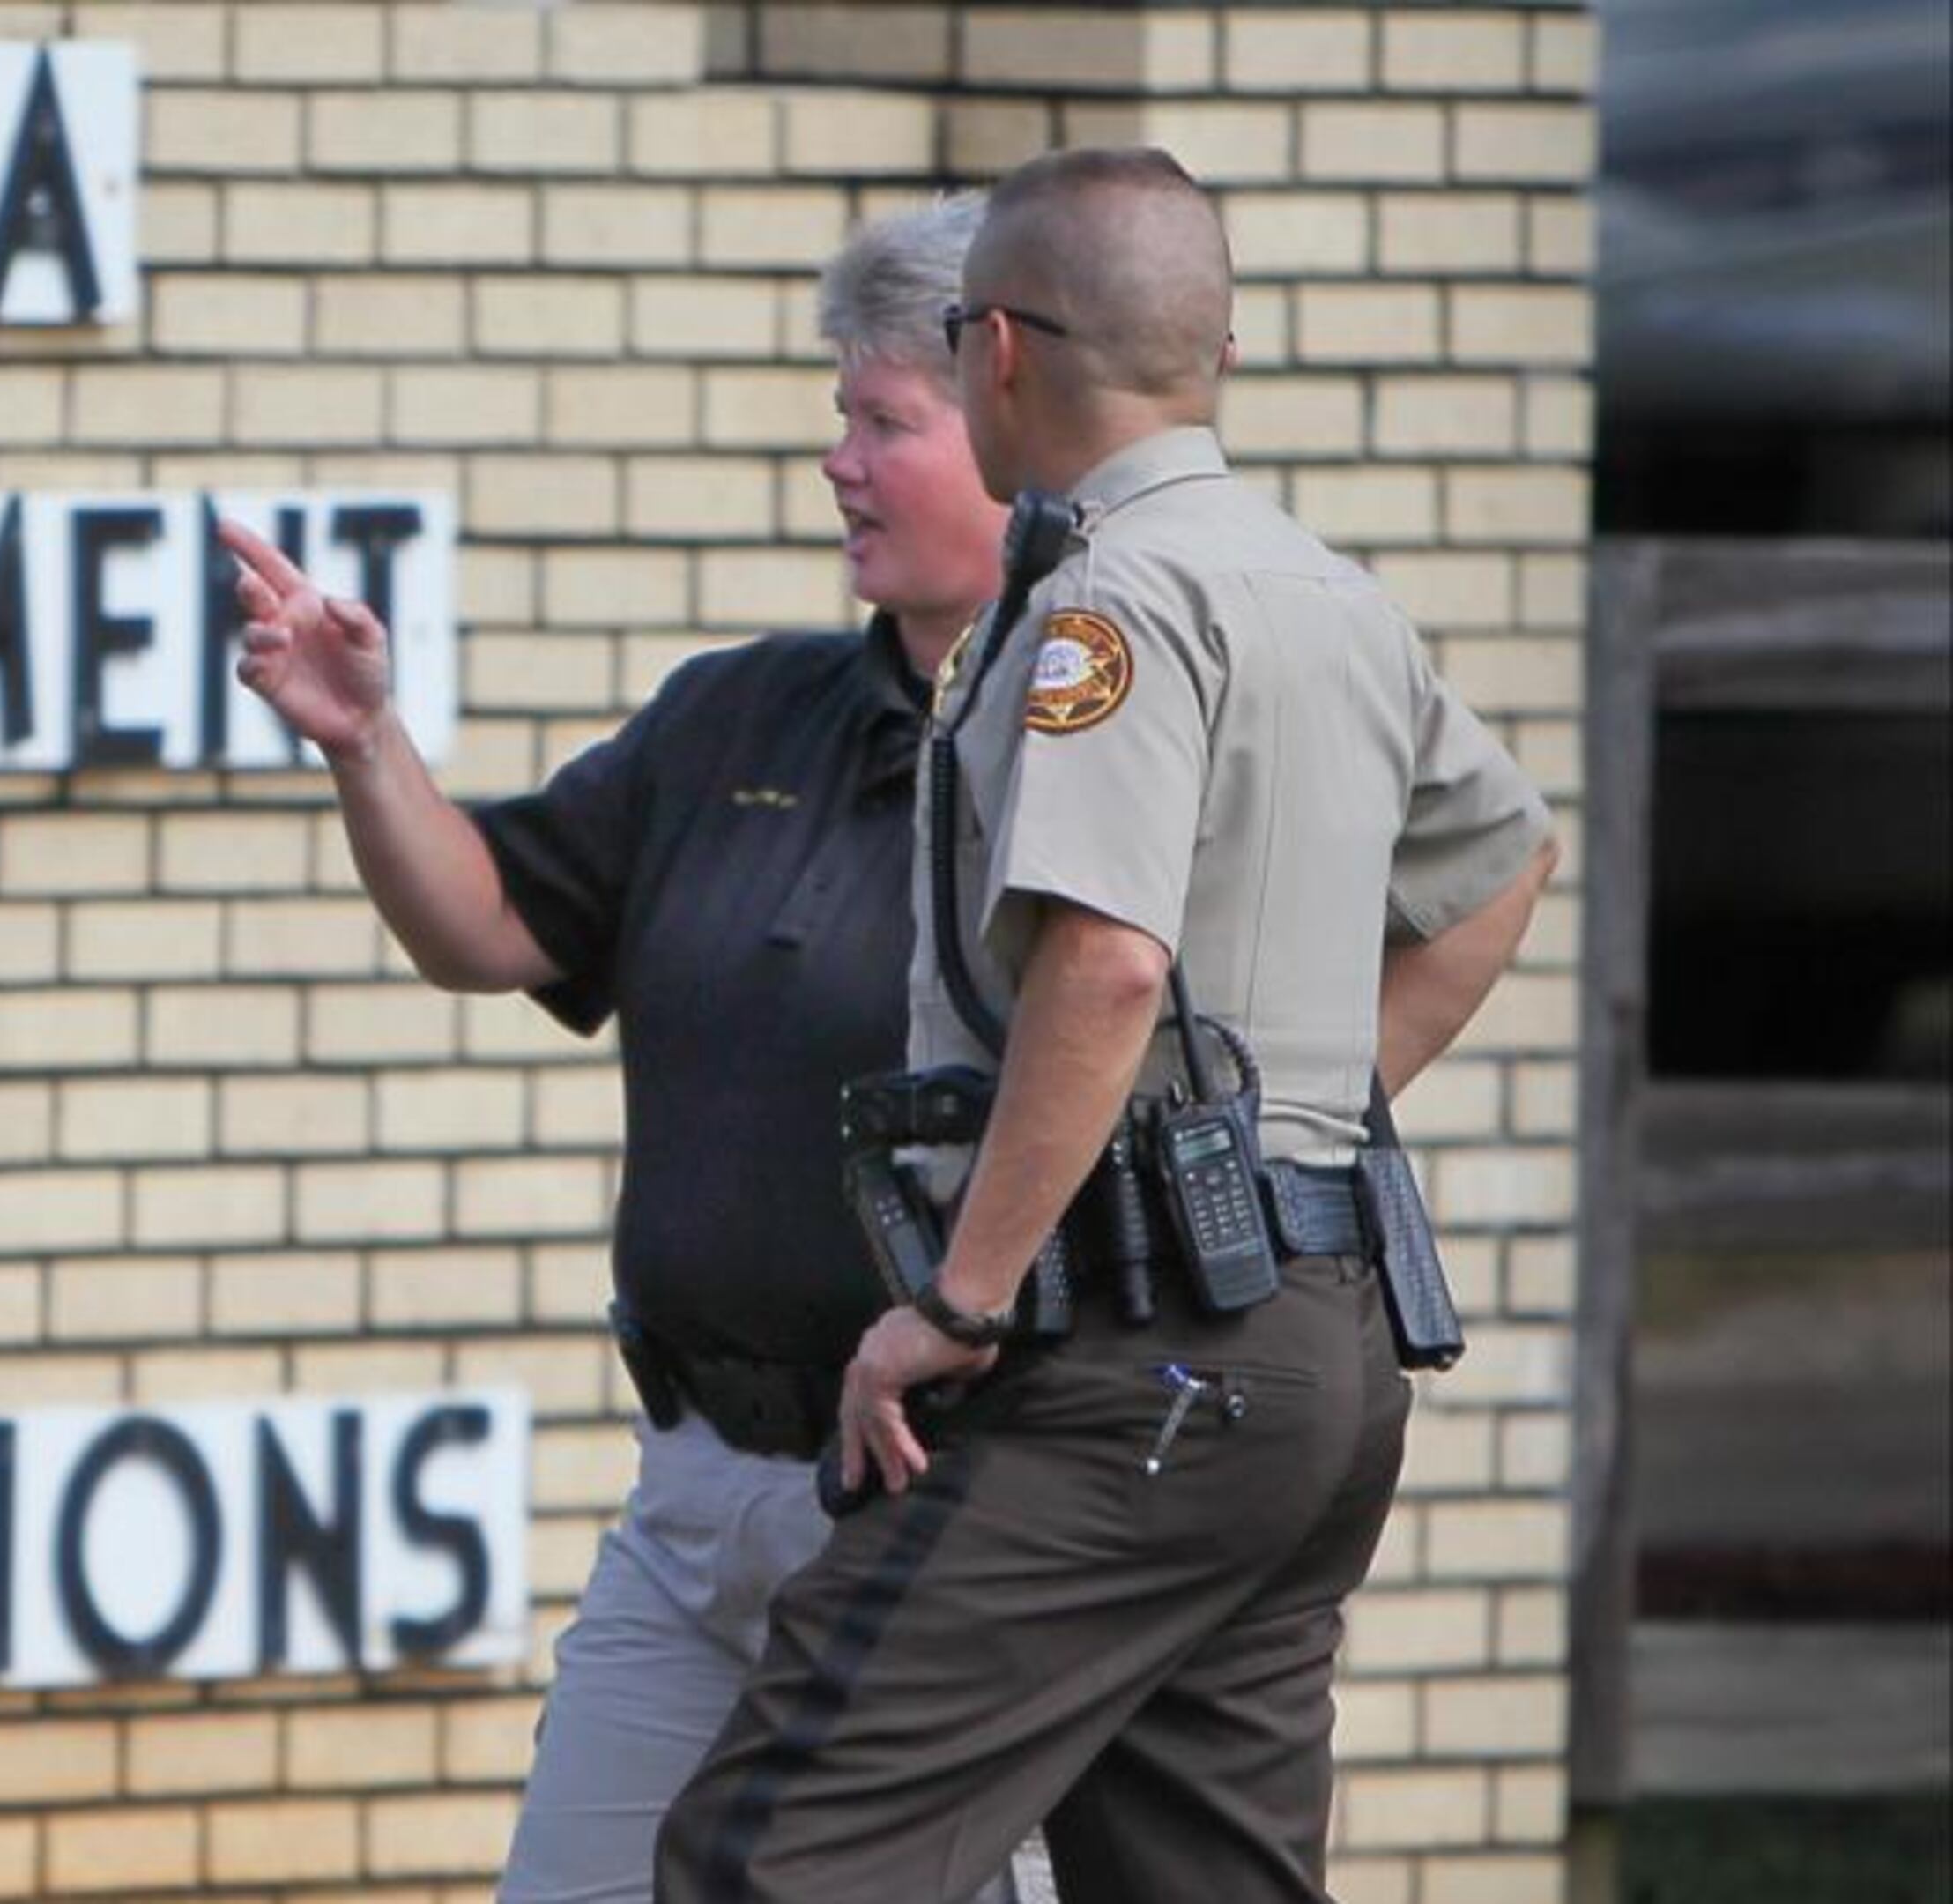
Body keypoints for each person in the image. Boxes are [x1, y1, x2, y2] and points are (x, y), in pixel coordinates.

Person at [652, 147, 1562, 1903]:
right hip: (1316, 1353)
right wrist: (1296, 1118)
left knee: (774, 1852)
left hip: (1127, 1362)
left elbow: (1108, 962)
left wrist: (960, 1294)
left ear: (999, 349)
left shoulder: (1100, 607)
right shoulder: (1325, 590)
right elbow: (1502, 868)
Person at [226, 198, 1043, 1904]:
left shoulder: (1100, 735)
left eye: (881, 422)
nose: (838, 462)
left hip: (954, 1525)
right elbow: (487, 931)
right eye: (842, 416)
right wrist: (365, 744)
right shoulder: (737, 712)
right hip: (696, 1502)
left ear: (1012, 433)